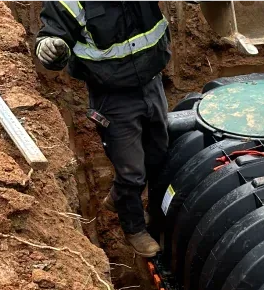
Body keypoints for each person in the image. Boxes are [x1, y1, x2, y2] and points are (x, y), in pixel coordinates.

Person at [35, 0, 177, 257]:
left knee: (157, 154)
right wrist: (50, 49)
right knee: (131, 171)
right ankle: (134, 228)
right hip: (112, 97)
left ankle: (121, 196)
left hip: (151, 81)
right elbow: (53, 33)